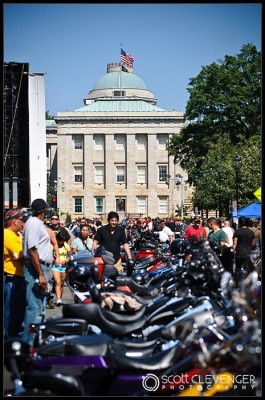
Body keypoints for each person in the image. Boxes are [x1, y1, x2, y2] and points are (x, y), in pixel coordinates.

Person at [21, 198, 54, 347]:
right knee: (34, 309)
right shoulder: (34, 223)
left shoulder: (37, 224)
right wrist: (40, 274)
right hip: (36, 269)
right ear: (44, 210)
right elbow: (32, 249)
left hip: (42, 267)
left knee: (40, 308)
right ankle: (27, 346)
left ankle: (35, 344)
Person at [4, 209, 26, 339]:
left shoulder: (17, 235)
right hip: (11, 279)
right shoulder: (7, 234)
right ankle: (10, 339)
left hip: (19, 277)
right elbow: (20, 255)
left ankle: (16, 336)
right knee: (11, 311)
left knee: (19, 310)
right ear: (14, 221)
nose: (22, 222)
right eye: (21, 220)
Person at [233, 216, 256, 287]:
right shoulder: (251, 232)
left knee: (238, 268)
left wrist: (233, 250)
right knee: (247, 269)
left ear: (239, 223)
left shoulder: (237, 232)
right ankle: (247, 284)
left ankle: (238, 283)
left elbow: (235, 243)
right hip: (248, 253)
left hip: (239, 253)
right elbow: (253, 244)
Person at [52, 231, 71, 306]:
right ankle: (58, 299)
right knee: (57, 282)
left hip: (63, 266)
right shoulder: (53, 245)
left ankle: (60, 298)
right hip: (55, 266)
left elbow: (70, 255)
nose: (61, 242)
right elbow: (50, 255)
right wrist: (54, 260)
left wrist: (67, 260)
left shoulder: (65, 245)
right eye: (60, 241)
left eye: (63, 241)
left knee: (62, 283)